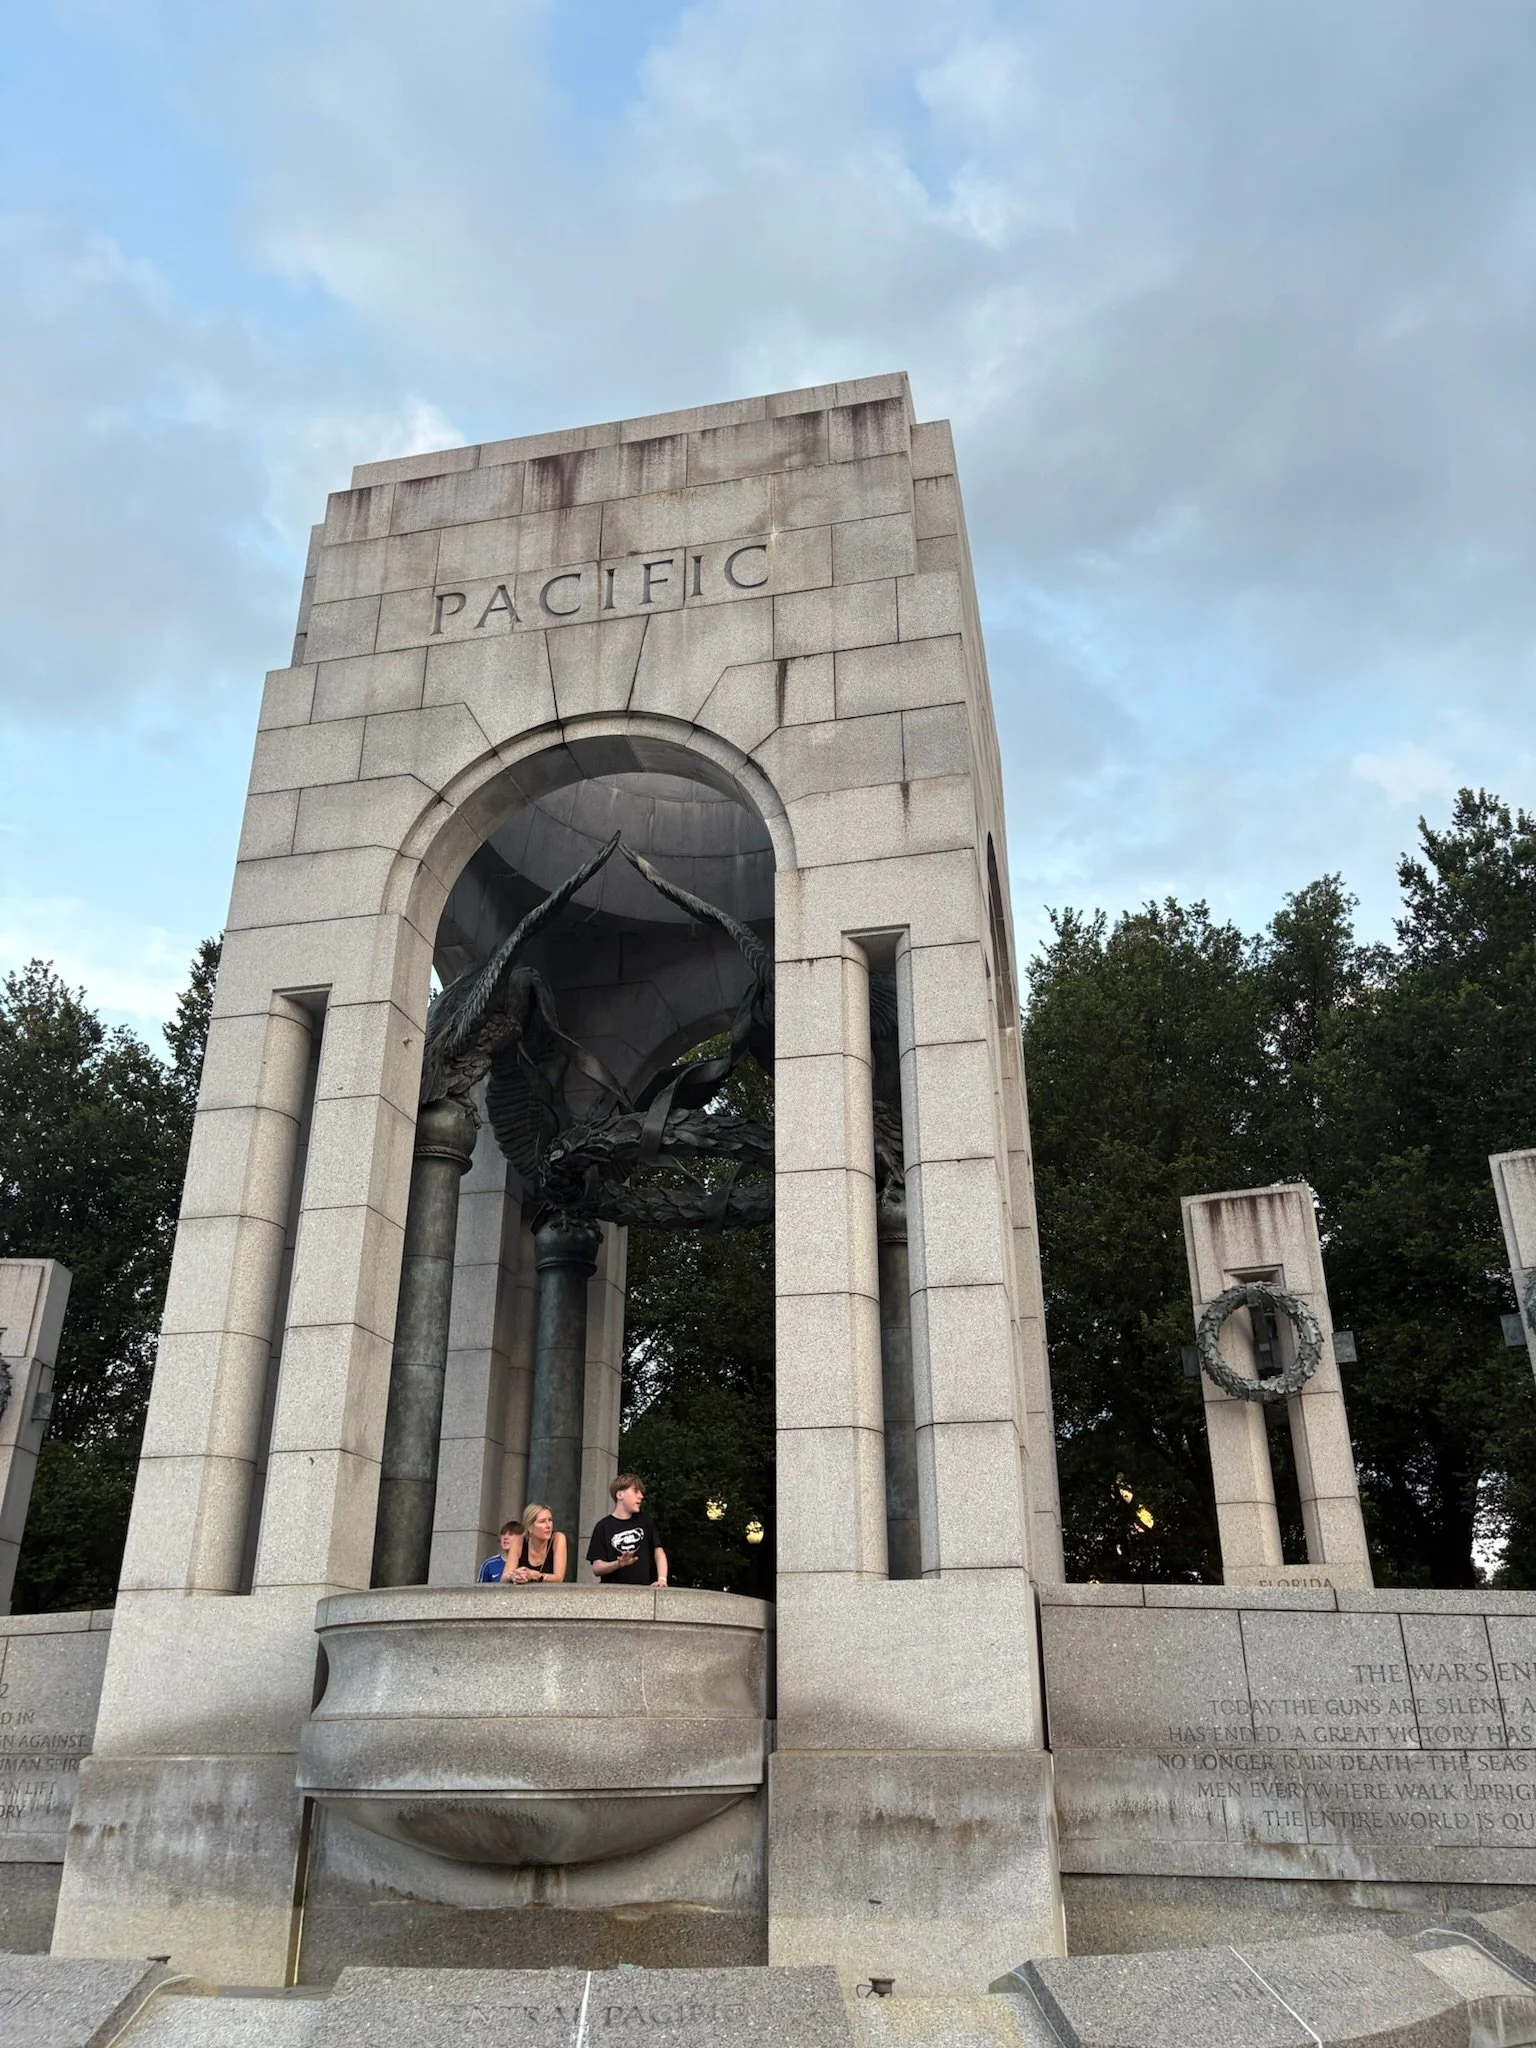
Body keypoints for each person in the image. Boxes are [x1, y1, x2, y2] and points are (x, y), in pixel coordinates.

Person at [586, 1473, 668, 1587]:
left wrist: (662, 1579)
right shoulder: (603, 1526)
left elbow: (658, 1552)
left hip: (644, 1592)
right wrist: (619, 1563)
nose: (641, 1496)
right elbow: (597, 1568)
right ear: (620, 1494)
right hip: (612, 1594)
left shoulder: (646, 1522)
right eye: (636, 1491)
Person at [508, 1502, 567, 1585]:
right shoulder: (519, 1540)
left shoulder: (558, 1538)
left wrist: (536, 1575)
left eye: (550, 1520)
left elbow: (559, 1578)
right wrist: (514, 1576)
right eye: (542, 1521)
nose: (548, 1525)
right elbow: (505, 1576)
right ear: (530, 1527)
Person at [477, 1519, 522, 1583]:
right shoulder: (489, 1564)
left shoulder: (526, 1562)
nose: (505, 1537)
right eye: (503, 1534)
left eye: (511, 1534)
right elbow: (479, 1590)